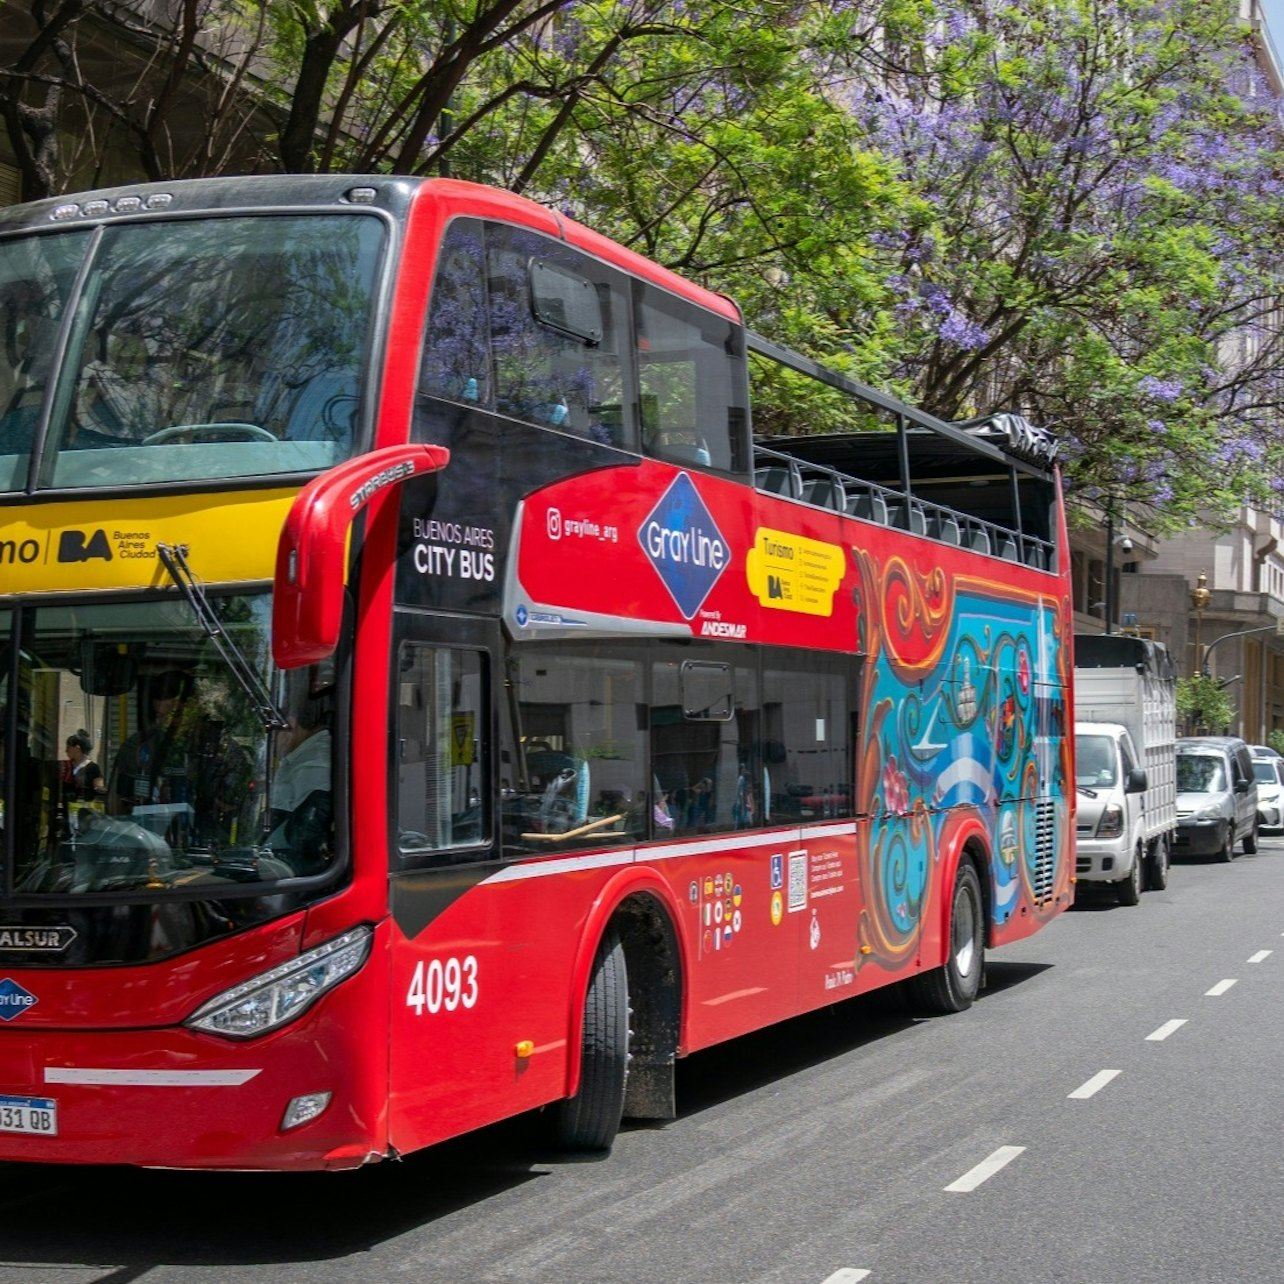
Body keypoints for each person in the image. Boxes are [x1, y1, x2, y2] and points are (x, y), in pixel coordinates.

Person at [267, 696, 332, 870]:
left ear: (290, 724)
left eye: (271, 734)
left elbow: (304, 840)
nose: (271, 744)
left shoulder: (314, 763)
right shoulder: (301, 756)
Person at [61, 731, 105, 803]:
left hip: (83, 807)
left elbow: (99, 788)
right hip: (65, 806)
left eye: (68, 747)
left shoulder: (93, 768)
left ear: (77, 748)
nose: (66, 751)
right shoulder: (65, 765)